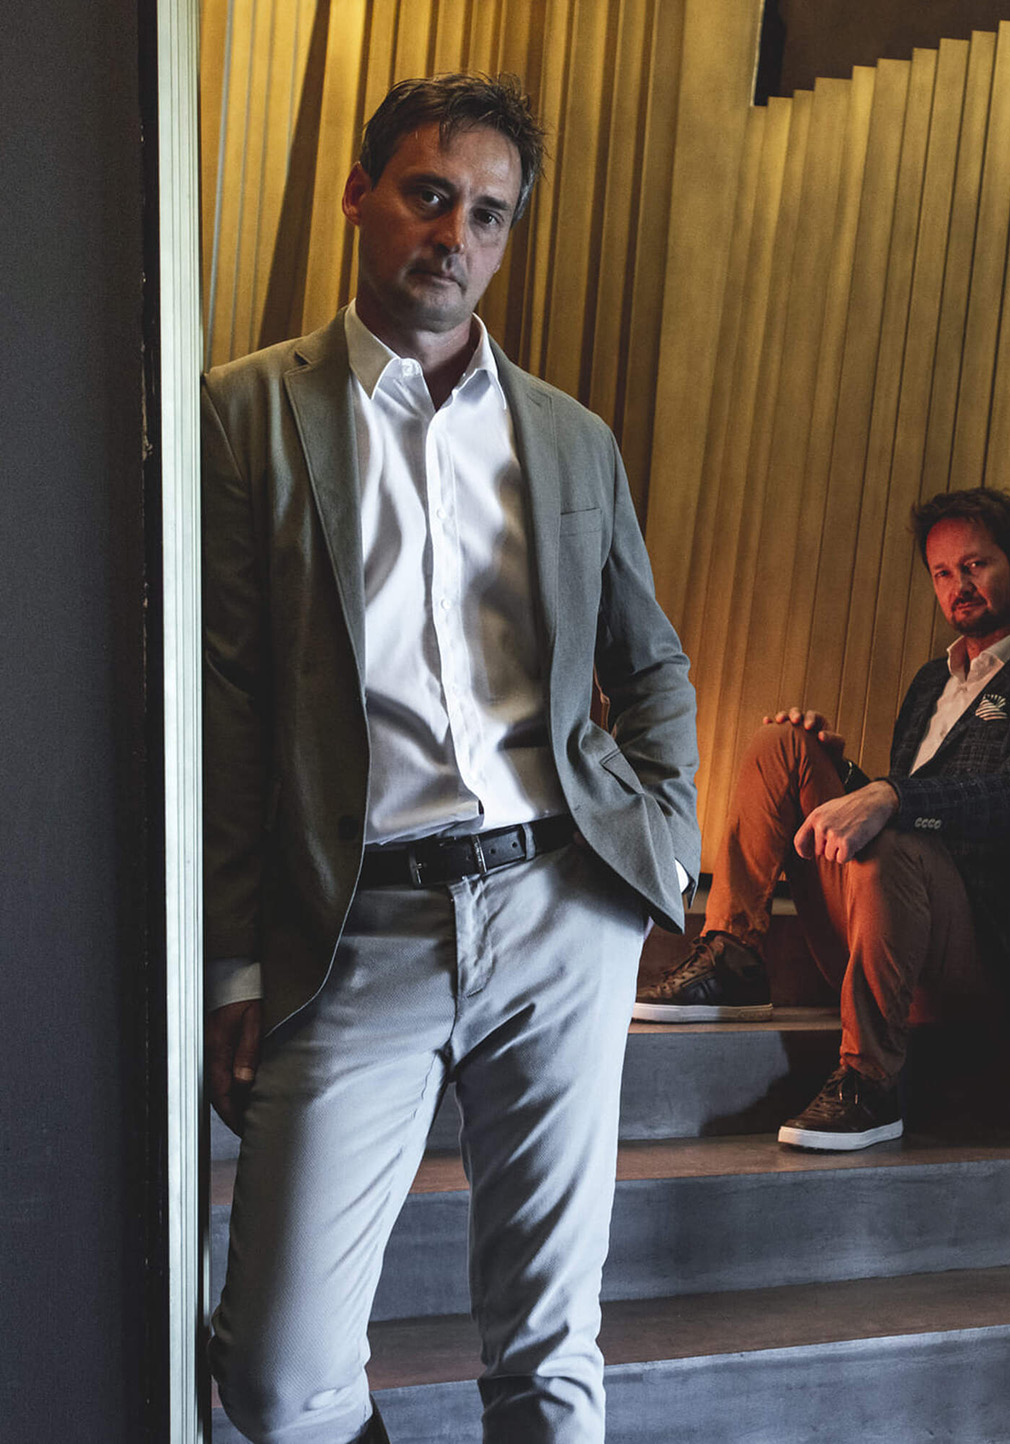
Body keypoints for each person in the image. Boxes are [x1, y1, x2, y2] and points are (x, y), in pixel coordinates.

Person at [201, 73, 699, 1444]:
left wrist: (661, 842)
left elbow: (650, 663)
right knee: (279, 1378)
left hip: (560, 904)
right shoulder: (241, 417)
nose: (455, 236)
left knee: (549, 1351)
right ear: (361, 195)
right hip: (353, 922)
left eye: (487, 215)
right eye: (430, 195)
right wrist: (235, 962)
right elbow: (228, 703)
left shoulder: (570, 434)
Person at [635, 487, 1010, 1152]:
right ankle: (736, 955)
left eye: (975, 566)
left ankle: (868, 1085)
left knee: (892, 846)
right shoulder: (930, 683)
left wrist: (889, 796)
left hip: (979, 961)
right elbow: (906, 800)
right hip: (885, 927)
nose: (958, 586)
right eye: (943, 574)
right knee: (782, 746)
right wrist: (845, 778)